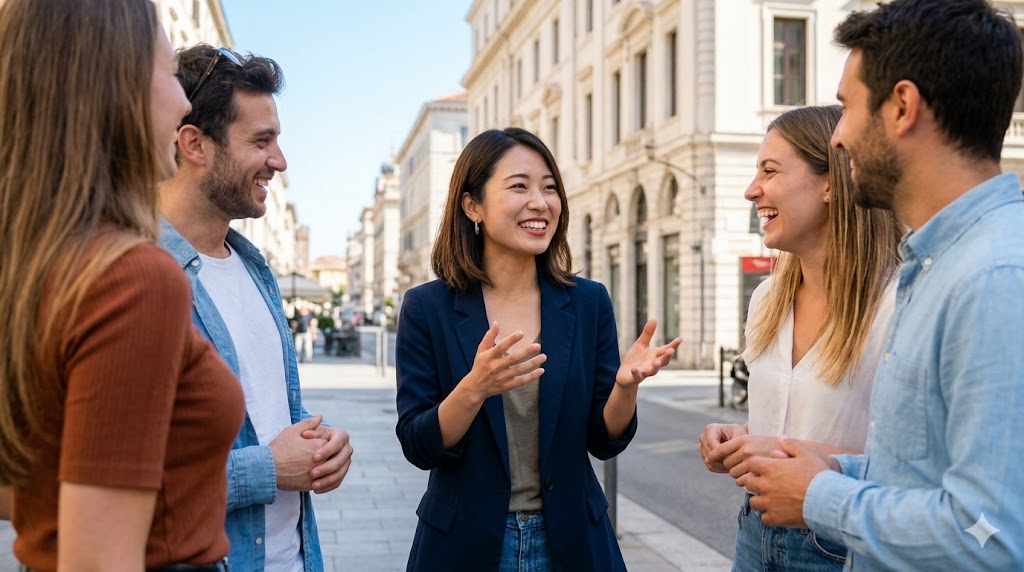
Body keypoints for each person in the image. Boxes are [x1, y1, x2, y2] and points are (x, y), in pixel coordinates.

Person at [736, 1, 1024, 569]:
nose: (838, 136)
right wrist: (824, 469)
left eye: (846, 106)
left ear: (901, 107)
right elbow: (913, 475)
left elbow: (995, 536)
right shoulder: (938, 265)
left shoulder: (994, 278)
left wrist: (820, 497)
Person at [0, 1, 245, 570]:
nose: (184, 100)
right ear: (116, 88)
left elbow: (24, 490)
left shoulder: (38, 264)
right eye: (168, 73)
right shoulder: (132, 277)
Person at [395, 127, 681, 570]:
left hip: (572, 540)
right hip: (464, 545)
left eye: (550, 188)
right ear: (473, 206)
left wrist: (626, 387)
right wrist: (474, 388)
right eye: (519, 186)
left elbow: (603, 441)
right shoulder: (426, 307)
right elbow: (418, 444)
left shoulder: (587, 302)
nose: (540, 202)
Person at [158, 44, 353, 572]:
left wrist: (317, 446)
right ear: (195, 144)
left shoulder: (254, 267)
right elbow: (119, 482)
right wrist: (268, 468)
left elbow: (267, 421)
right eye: (262, 141)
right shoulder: (138, 275)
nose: (280, 161)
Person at [697, 105, 903, 571]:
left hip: (843, 547)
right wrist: (741, 438)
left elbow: (915, 467)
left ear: (831, 181)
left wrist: (780, 449)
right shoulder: (767, 299)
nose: (753, 191)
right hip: (755, 534)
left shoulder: (900, 303)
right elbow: (800, 425)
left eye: (770, 171)